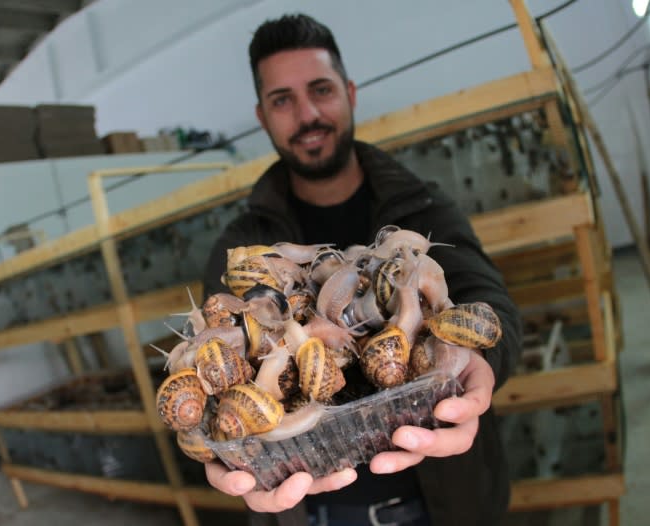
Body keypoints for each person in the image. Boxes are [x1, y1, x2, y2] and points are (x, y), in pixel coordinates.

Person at [201, 13, 522, 526]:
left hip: (444, 501)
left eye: (321, 89)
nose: (307, 114)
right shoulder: (242, 246)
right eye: (283, 100)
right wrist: (218, 438)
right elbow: (219, 352)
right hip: (312, 509)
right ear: (263, 116)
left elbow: (492, 303)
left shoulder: (420, 207)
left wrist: (481, 360)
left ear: (350, 92)